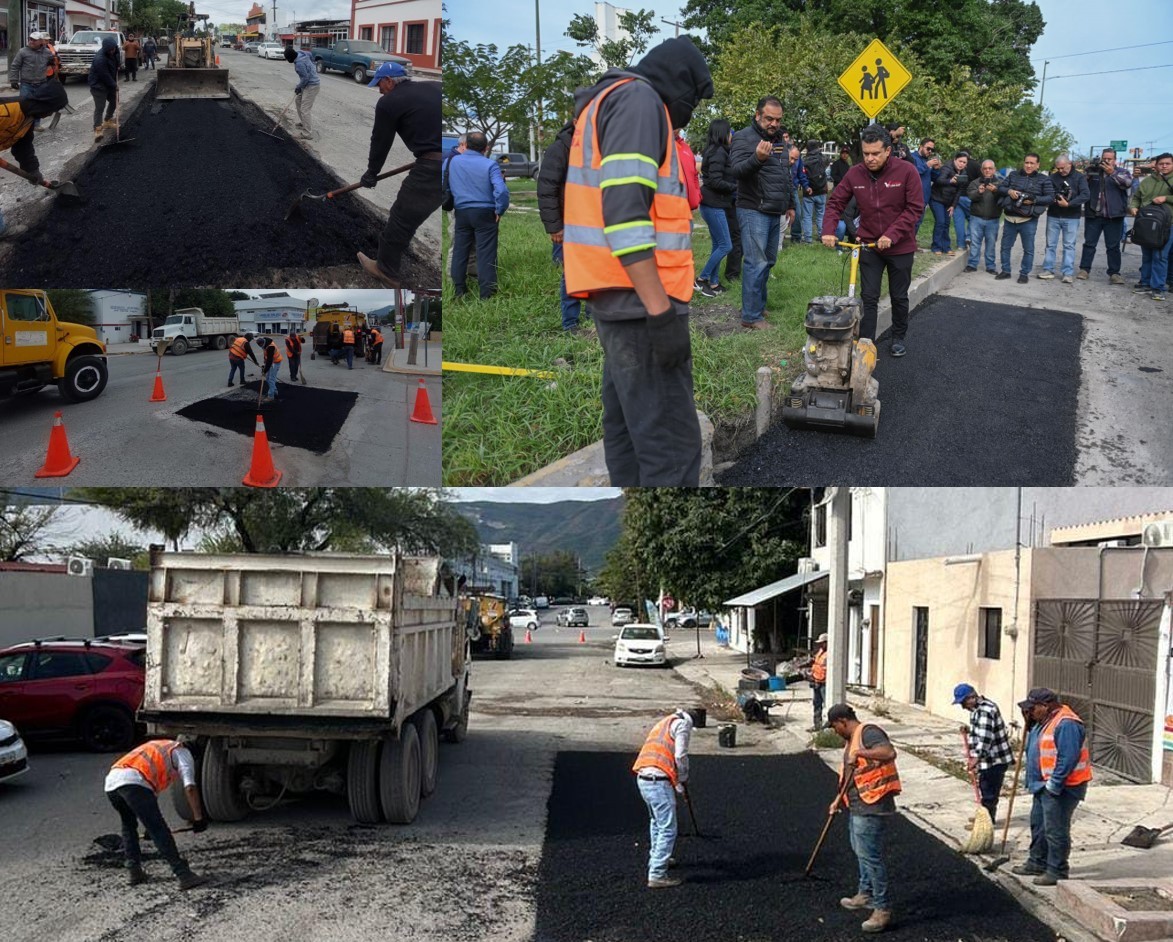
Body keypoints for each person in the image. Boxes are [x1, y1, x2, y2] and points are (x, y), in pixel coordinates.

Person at [563, 35, 713, 486]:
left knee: (629, 433)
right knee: (672, 449)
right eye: (693, 100)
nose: (690, 112)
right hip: (641, 306)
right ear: (678, 83)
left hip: (616, 298)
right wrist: (661, 312)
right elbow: (625, 213)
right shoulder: (640, 101)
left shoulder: (606, 101)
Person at [823, 124, 924, 357]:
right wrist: (829, 230)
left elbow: (915, 208)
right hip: (868, 244)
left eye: (875, 153)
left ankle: (898, 336)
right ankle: (866, 343)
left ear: (888, 150)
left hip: (900, 246)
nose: (870, 158)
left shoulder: (907, 171)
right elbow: (835, 202)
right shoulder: (854, 173)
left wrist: (892, 234)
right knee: (869, 296)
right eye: (866, 153)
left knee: (899, 296)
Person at [355, 61, 443, 288]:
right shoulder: (434, 86)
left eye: (380, 85)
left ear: (389, 81)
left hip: (432, 168)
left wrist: (371, 174)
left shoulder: (388, 102)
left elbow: (380, 142)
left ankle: (385, 270)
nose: (379, 89)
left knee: (402, 218)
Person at [825, 703, 901, 934]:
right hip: (858, 805)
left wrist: (860, 753)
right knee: (860, 851)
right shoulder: (852, 739)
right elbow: (850, 772)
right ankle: (865, 894)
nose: (835, 732)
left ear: (842, 721)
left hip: (873, 805)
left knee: (871, 857)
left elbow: (889, 752)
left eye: (834, 727)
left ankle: (882, 909)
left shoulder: (868, 732)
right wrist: (839, 798)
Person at [1011, 688, 1092, 886]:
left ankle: (1057, 870)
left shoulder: (1067, 724)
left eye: (1032, 708)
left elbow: (1067, 758)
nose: (1029, 712)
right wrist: (1029, 724)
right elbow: (1038, 746)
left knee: (1055, 830)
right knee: (1038, 826)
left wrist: (1054, 785)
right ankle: (1037, 862)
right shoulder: (1044, 720)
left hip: (1063, 788)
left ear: (1045, 706)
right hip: (1043, 785)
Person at [105, 738, 209, 889]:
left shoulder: (161, 746)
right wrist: (199, 818)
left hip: (112, 783)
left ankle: (134, 871)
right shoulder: (184, 753)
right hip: (134, 782)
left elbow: (149, 792)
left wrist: (148, 828)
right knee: (159, 830)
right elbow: (190, 787)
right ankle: (184, 875)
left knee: (129, 825)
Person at [730, 96, 794, 329]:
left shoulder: (780, 141)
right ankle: (750, 316)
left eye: (777, 120)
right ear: (757, 115)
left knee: (768, 262)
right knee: (755, 263)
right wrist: (757, 158)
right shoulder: (744, 138)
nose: (774, 124)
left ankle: (757, 305)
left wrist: (790, 203)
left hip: (776, 209)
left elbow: (785, 176)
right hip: (753, 209)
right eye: (769, 118)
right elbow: (736, 171)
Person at [632, 708, 696, 889]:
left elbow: (665, 757)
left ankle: (658, 857)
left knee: (656, 822)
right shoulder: (682, 725)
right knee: (668, 828)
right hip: (658, 782)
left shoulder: (663, 723)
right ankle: (657, 873)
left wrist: (677, 784)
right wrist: (683, 778)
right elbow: (680, 755)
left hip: (644, 778)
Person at [0, 80, 67, 240]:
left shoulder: (28, 118)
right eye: (52, 110)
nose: (51, 114)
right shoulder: (7, 110)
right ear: (45, 104)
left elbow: (22, 146)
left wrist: (32, 170)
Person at [447, 130, 508, 300]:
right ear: (486, 147)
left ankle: (459, 291)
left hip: (461, 212)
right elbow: (501, 190)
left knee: (460, 251)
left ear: (465, 145)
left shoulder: (453, 162)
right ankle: (486, 294)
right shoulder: (490, 165)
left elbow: (444, 182)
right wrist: (500, 209)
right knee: (486, 253)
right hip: (485, 213)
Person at [536, 119, 584, 330]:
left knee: (596, 272)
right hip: (570, 223)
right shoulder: (560, 148)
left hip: (596, 223)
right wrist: (555, 226)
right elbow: (547, 188)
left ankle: (593, 316)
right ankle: (570, 323)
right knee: (572, 273)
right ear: (575, 121)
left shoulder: (599, 145)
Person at [953, 683, 1015, 824]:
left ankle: (986, 823)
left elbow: (986, 738)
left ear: (972, 697)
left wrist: (976, 757)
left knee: (989, 792)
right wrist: (969, 730)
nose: (963, 706)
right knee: (984, 788)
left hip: (995, 759)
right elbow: (982, 730)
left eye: (963, 702)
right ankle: (984, 817)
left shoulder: (986, 710)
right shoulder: (977, 709)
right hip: (988, 759)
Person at [996, 153, 1054, 283]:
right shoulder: (1013, 175)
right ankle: (1005, 271)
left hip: (1028, 220)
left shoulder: (1044, 179)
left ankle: (1024, 273)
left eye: (1032, 163)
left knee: (1028, 249)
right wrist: (1009, 191)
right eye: (1027, 162)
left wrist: (1033, 199)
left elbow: (1050, 197)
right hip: (1010, 218)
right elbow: (1000, 187)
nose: (1028, 165)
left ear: (1038, 165)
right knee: (1005, 247)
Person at [1078, 148, 1132, 284]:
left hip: (1114, 216)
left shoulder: (1122, 172)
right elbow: (1081, 185)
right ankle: (1084, 269)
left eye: (1109, 159)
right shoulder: (1094, 171)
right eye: (1104, 158)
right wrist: (1088, 172)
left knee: (1113, 246)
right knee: (1089, 244)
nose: (1106, 161)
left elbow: (1127, 184)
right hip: (1094, 214)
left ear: (1115, 160)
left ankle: (1114, 273)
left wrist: (1111, 173)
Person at [696, 118, 735, 296]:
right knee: (726, 245)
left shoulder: (714, 150)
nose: (731, 136)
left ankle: (713, 283)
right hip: (713, 204)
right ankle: (702, 279)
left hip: (712, 203)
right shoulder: (719, 152)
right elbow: (715, 180)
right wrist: (735, 187)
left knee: (718, 244)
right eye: (729, 132)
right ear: (723, 133)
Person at [1128, 152, 1173, 301]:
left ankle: (1158, 287)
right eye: (1161, 164)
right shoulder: (1147, 181)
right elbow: (1136, 198)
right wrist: (1133, 207)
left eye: (1168, 163)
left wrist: (1166, 198)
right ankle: (1145, 282)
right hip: (1146, 224)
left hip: (1167, 225)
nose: (1164, 166)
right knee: (1147, 255)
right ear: (1156, 165)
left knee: (1160, 255)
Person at [1039, 156, 1089, 284]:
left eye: (1063, 167)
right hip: (1054, 215)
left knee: (1069, 245)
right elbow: (1047, 194)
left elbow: (1085, 195)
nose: (1061, 170)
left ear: (1070, 164)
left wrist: (1069, 203)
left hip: (1072, 216)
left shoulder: (1079, 177)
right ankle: (1048, 269)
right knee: (1050, 244)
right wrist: (1054, 199)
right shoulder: (1052, 177)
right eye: (1058, 168)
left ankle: (1067, 273)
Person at [8, 31, 54, 130]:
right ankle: (24, 125)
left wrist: (53, 62)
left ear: (41, 41)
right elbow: (15, 66)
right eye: (30, 39)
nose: (31, 41)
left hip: (41, 83)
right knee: (24, 105)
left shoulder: (47, 52)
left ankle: (36, 125)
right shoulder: (23, 52)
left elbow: (52, 62)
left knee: (38, 105)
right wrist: (13, 80)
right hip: (26, 84)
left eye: (34, 40)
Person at [965, 160, 1002, 273]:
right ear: (981, 170)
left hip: (993, 219)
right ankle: (972, 264)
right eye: (985, 168)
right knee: (975, 243)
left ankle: (990, 266)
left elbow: (1003, 198)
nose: (987, 170)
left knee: (991, 244)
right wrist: (979, 192)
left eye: (990, 168)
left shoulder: (1000, 183)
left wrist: (995, 191)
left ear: (994, 169)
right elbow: (970, 195)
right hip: (976, 218)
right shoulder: (975, 183)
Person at [929, 150, 969, 255]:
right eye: (960, 161)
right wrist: (950, 181)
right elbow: (939, 180)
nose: (962, 164)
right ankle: (936, 247)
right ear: (955, 160)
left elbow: (959, 191)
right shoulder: (947, 167)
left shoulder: (964, 173)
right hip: (936, 198)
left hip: (948, 202)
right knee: (940, 222)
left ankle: (946, 247)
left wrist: (953, 206)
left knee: (946, 223)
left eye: (964, 163)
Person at [283, 45, 319, 141]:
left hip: (312, 85)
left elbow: (305, 78)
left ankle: (307, 133)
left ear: (291, 58)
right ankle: (304, 123)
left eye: (287, 59)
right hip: (307, 84)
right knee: (298, 101)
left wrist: (298, 87)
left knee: (305, 109)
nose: (287, 61)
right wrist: (312, 65)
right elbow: (310, 54)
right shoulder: (301, 53)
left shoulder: (299, 63)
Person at [88, 36, 119, 143]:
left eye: (114, 48)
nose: (113, 51)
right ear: (106, 49)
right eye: (111, 49)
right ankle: (97, 129)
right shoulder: (99, 59)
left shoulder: (113, 52)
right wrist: (114, 85)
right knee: (100, 107)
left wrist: (117, 64)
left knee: (115, 101)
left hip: (108, 83)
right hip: (98, 86)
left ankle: (107, 120)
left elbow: (116, 60)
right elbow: (104, 75)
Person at [909, 137, 940, 236]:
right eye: (928, 148)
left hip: (924, 198)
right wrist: (927, 165)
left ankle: (912, 243)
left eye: (932, 150)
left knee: (918, 222)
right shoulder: (912, 157)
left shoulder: (927, 161)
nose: (930, 151)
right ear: (921, 146)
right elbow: (913, 173)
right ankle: (907, 244)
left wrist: (936, 169)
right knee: (911, 223)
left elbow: (934, 179)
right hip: (913, 197)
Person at [803, 139, 829, 245]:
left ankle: (808, 239)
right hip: (822, 190)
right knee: (821, 214)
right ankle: (821, 235)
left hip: (809, 191)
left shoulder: (804, 160)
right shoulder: (823, 158)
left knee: (807, 216)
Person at [806, 632, 827, 732]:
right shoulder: (820, 652)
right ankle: (817, 726)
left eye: (822, 643)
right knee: (817, 704)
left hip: (825, 683)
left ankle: (829, 727)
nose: (820, 645)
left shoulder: (830, 654)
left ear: (827, 643)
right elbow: (815, 662)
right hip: (816, 681)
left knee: (827, 705)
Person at [676, 129, 701, 212]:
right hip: (669, 211)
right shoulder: (658, 145)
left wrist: (697, 196)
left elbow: (694, 174)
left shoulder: (685, 147)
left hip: (688, 210)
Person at [788, 146, 808, 242]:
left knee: (797, 213)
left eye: (795, 159)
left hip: (793, 188)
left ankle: (796, 237)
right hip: (781, 189)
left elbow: (801, 174)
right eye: (791, 158)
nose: (793, 161)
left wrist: (806, 186)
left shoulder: (798, 160)